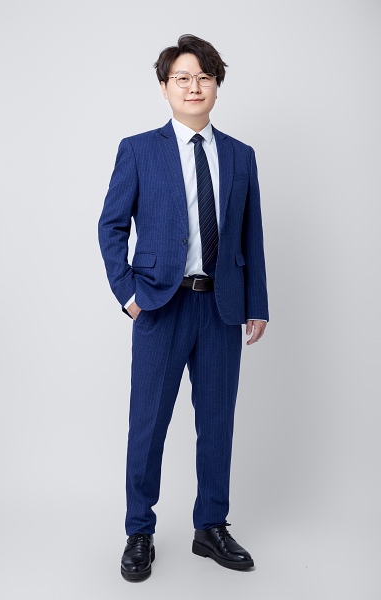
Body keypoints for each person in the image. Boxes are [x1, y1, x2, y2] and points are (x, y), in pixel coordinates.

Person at [98, 34, 269, 582]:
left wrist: (257, 303)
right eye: (183, 78)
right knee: (148, 424)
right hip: (159, 305)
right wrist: (129, 296)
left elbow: (251, 235)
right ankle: (139, 530)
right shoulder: (138, 150)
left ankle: (210, 526)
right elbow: (111, 226)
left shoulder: (240, 156)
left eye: (204, 77)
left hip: (221, 307)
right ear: (165, 86)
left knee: (217, 423)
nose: (194, 87)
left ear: (216, 85)